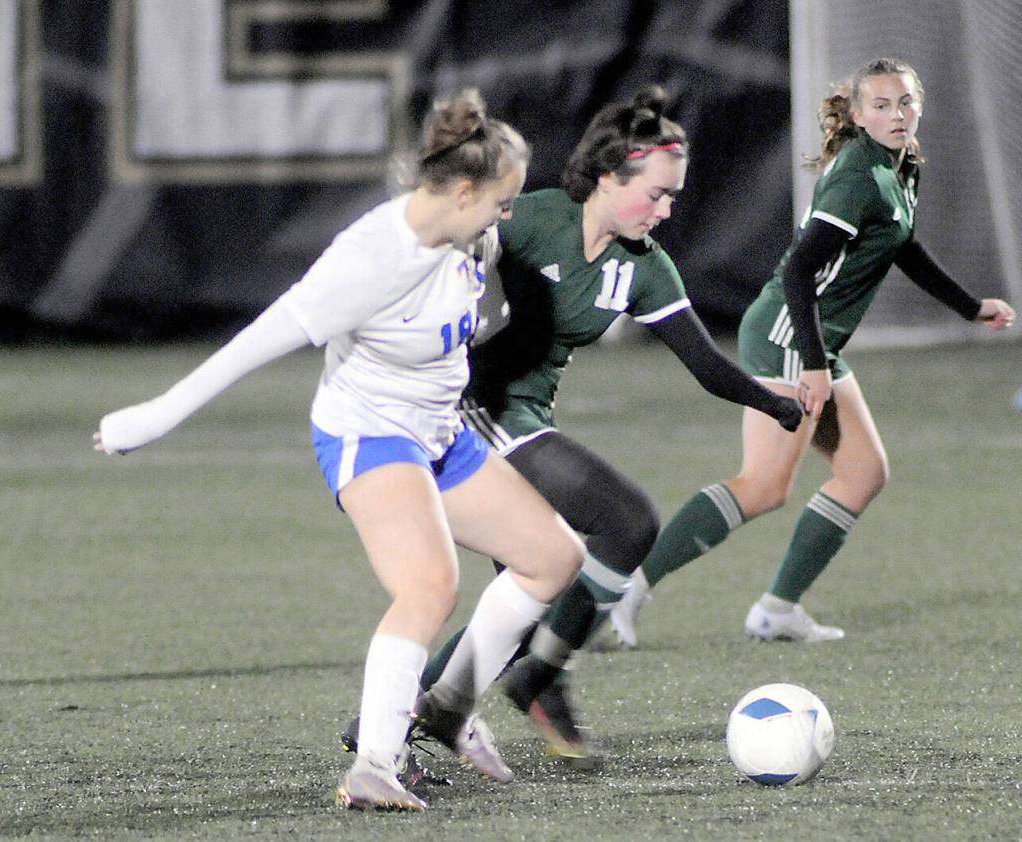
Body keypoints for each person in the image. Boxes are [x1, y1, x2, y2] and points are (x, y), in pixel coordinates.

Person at [93, 89, 585, 813]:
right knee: (428, 586)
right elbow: (252, 345)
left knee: (553, 558)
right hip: (368, 433)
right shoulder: (366, 261)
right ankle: (375, 767)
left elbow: (462, 319)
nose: (506, 218)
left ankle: (447, 708)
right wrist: (156, 415)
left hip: (439, 432)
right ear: (461, 191)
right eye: (502, 203)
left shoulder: (467, 235)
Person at [398, 86, 804, 768]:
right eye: (656, 193)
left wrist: (776, 402)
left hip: (525, 418)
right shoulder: (530, 221)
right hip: (474, 412)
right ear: (610, 178)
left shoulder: (644, 265)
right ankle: (538, 682)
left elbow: (704, 362)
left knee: (529, 599)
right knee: (625, 520)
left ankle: (402, 717)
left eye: (675, 196)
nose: (667, 209)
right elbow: (435, 256)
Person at [610, 58, 1016, 648]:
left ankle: (777, 609)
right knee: (763, 485)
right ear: (857, 115)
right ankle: (628, 592)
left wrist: (968, 306)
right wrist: (816, 365)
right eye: (880, 105)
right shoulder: (859, 176)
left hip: (812, 339)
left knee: (863, 472)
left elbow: (899, 243)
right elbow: (799, 270)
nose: (896, 114)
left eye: (904, 102)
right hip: (787, 336)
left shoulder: (901, 167)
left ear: (919, 104)